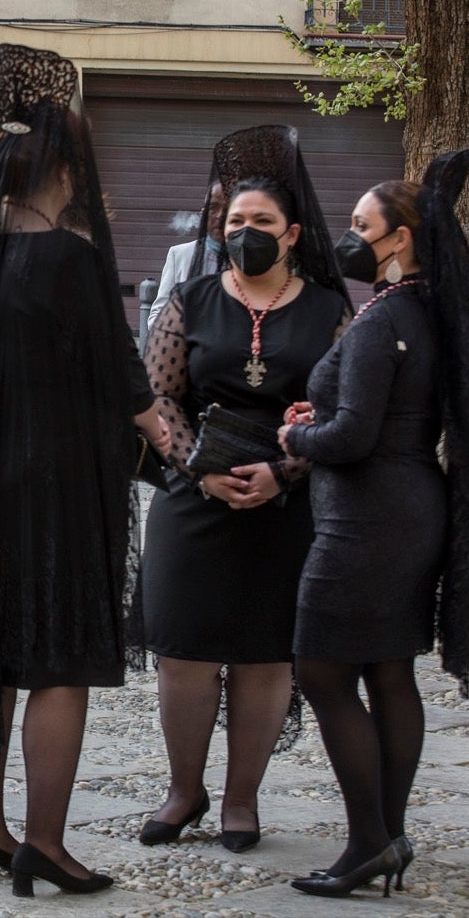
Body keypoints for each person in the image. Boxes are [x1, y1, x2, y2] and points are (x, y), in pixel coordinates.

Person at [0, 44, 167, 898]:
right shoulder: (70, 254)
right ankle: (46, 843)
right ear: (66, 163)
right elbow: (120, 372)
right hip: (58, 478)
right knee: (59, 660)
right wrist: (169, 439)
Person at [279, 151, 469, 899]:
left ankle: (369, 839)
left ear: (399, 237)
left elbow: (352, 439)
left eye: (360, 226)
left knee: (321, 670)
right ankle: (388, 833)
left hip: (366, 518)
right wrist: (331, 416)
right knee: (387, 669)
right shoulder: (427, 312)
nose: (350, 237)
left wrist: (297, 437)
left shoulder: (384, 321)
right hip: (412, 508)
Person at [137, 124, 351, 856]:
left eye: (261, 223)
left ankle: (240, 799)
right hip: (195, 493)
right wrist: (201, 468)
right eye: (235, 223)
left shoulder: (329, 310)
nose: (247, 233)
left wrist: (285, 469)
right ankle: (183, 788)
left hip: (287, 498)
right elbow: (160, 395)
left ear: (291, 233)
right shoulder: (189, 301)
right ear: (218, 230)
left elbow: (346, 405)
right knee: (185, 651)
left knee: (265, 656)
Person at [148, 181, 227, 333]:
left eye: (228, 208)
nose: (220, 215)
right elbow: (157, 314)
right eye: (213, 208)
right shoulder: (180, 255)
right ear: (203, 213)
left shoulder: (246, 257)